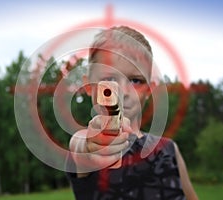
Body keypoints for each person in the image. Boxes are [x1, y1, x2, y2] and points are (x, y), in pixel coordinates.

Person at [66, 26, 198, 200]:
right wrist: (92, 143)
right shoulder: (87, 143)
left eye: (136, 80)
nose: (123, 91)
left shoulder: (169, 150)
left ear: (149, 89)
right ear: (89, 86)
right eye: (109, 80)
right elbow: (81, 144)